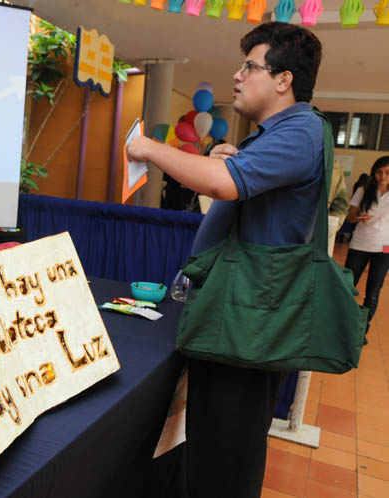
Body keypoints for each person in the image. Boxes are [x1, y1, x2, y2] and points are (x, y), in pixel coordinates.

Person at [128, 22, 324, 497]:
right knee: (209, 445)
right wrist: (224, 159)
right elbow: (235, 182)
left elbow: (223, 185)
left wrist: (151, 148)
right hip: (233, 317)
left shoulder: (301, 130)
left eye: (249, 66)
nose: (237, 75)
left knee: (227, 459)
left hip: (249, 325)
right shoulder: (273, 134)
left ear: (283, 80)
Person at [344, 156, 389, 344]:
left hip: (384, 248)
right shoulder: (363, 191)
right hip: (360, 245)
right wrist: (359, 217)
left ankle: (361, 331)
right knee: (347, 287)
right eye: (379, 172)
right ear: (374, 173)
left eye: (387, 172)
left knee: (372, 292)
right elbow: (350, 217)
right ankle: (343, 326)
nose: (383, 176)